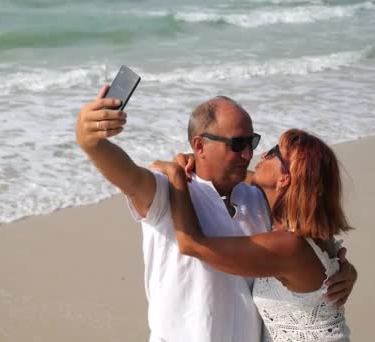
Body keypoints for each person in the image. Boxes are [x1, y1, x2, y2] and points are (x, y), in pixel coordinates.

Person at [75, 87, 357, 342]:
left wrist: (344, 270)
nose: (249, 154)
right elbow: (127, 175)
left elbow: (308, 232)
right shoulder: (166, 193)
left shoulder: (259, 199)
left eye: (252, 142)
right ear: (199, 146)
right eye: (237, 145)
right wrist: (90, 141)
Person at [152, 128, 352, 341]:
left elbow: (191, 244)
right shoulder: (314, 234)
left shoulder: (290, 245)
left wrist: (175, 175)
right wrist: (204, 161)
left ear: (284, 178)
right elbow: (235, 177)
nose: (263, 154)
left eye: (274, 152)